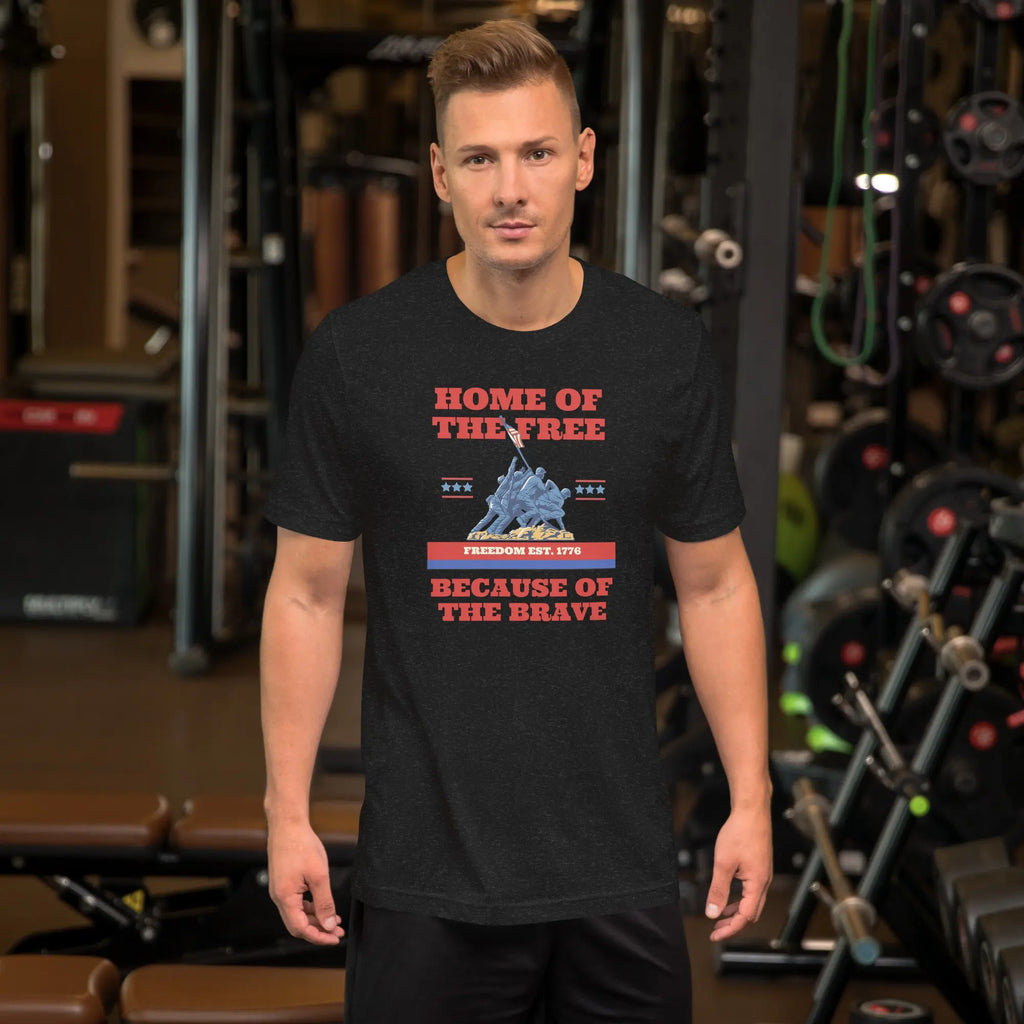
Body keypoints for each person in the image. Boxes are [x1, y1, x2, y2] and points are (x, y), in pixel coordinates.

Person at [260, 18, 771, 1024]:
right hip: (426, 871)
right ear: (440, 175)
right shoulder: (361, 356)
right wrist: (287, 814)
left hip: (617, 866)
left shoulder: (661, 354)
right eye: (481, 159)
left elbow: (715, 583)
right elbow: (306, 593)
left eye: (537, 152)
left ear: (582, 161)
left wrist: (749, 801)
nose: (510, 189)